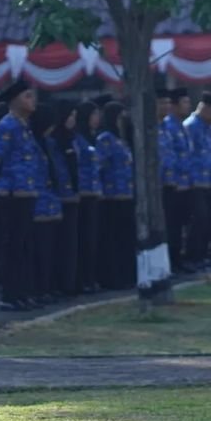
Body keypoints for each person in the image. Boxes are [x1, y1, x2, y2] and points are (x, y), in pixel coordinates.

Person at [0, 80, 41, 312]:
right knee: (12, 245)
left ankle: (23, 293)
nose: (32, 100)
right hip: (11, 193)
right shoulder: (8, 125)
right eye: (28, 96)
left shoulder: (24, 125)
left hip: (26, 191)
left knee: (25, 245)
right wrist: (2, 180)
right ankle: (10, 295)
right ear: (15, 100)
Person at [96, 101, 135, 289]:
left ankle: (127, 274)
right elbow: (100, 165)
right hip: (112, 195)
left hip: (126, 193)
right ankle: (113, 277)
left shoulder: (122, 140)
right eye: (120, 117)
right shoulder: (105, 138)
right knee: (114, 238)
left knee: (126, 237)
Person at [184, 94, 211, 269]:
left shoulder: (208, 127)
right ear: (205, 109)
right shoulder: (191, 127)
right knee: (198, 219)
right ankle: (193, 256)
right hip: (195, 181)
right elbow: (190, 156)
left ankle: (202, 254)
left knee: (208, 219)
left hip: (208, 180)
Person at [29, 104, 61, 304]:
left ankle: (47, 287)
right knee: (36, 249)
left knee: (50, 249)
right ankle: (36, 289)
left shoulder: (48, 143)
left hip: (50, 201)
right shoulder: (31, 143)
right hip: (36, 200)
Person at [161, 88, 193, 272]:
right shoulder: (169, 126)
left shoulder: (180, 126)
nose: (188, 106)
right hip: (172, 184)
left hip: (184, 182)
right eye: (184, 102)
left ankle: (179, 259)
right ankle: (173, 260)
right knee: (172, 225)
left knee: (181, 224)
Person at [74, 101, 102, 293]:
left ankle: (92, 277)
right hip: (82, 193)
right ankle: (82, 279)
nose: (96, 118)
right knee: (84, 238)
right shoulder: (78, 138)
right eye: (93, 114)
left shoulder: (94, 138)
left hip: (94, 192)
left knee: (93, 239)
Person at [52, 101, 80, 298]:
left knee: (73, 243)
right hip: (60, 197)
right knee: (62, 243)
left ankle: (72, 282)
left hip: (74, 195)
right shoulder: (55, 141)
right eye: (70, 116)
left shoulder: (72, 139)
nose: (72, 120)